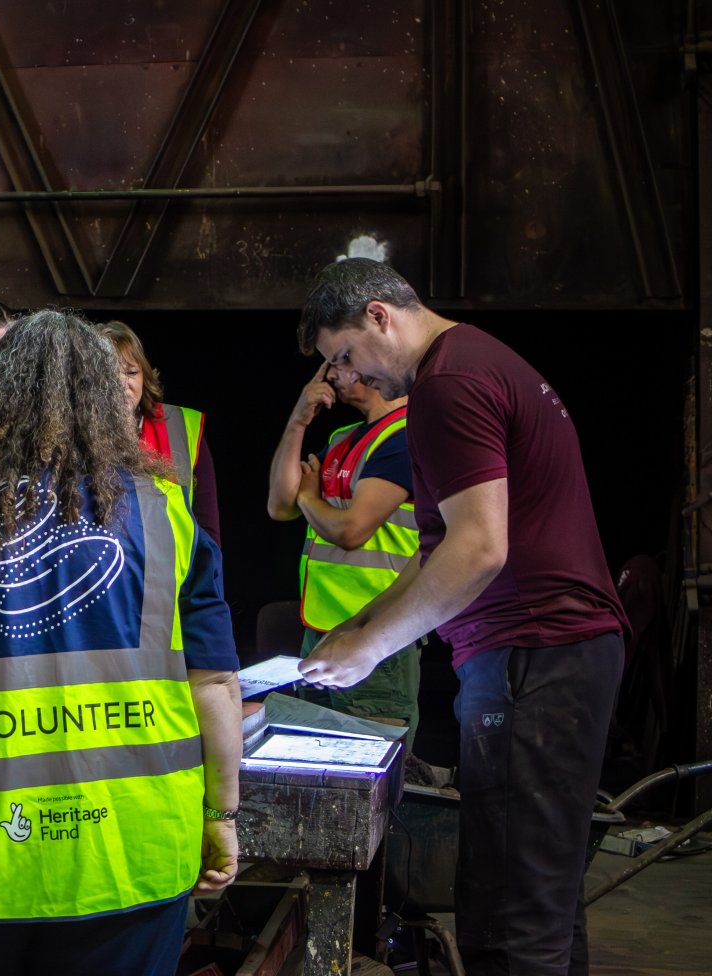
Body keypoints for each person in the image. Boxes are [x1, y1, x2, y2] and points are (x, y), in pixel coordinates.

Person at [0, 310, 242, 975]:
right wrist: (222, 817)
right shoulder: (166, 516)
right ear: (105, 401)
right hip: (136, 862)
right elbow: (216, 689)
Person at [296, 258, 626, 975]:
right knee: (540, 902)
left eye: (344, 355)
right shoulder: (475, 363)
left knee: (509, 916)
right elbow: (440, 546)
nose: (349, 377)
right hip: (554, 652)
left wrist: (370, 650)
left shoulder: (448, 383)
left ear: (380, 315)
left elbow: (480, 549)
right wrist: (358, 626)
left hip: (534, 653)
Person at [266, 360, 420, 744]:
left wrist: (308, 496)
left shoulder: (406, 436)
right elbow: (280, 506)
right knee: (318, 764)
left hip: (377, 634)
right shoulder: (342, 438)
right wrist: (298, 422)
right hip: (320, 628)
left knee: (370, 770)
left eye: (342, 362)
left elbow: (350, 531)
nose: (330, 375)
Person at [101, 319, 223, 546]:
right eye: (108, 374)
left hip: (173, 581)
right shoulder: (72, 435)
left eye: (131, 372)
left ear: (144, 377)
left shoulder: (183, 428)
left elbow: (208, 533)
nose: (121, 383)